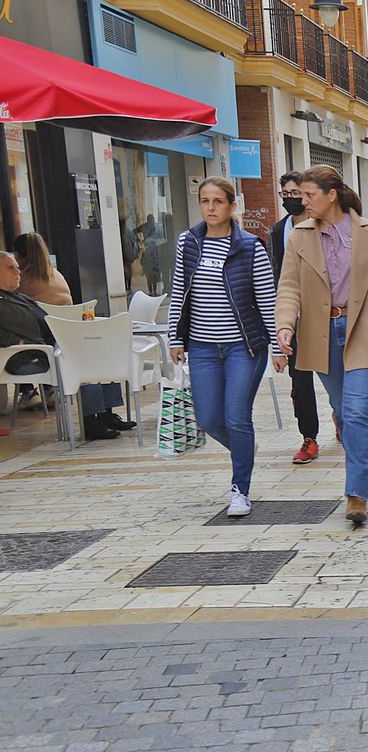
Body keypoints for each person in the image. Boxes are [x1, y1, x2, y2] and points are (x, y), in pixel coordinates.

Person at [275, 164, 368, 526]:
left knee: (356, 412)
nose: (303, 202)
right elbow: (288, 286)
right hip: (322, 333)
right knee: (342, 408)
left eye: (309, 196)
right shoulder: (299, 237)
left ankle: (356, 494)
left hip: (365, 328)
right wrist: (285, 325)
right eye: (300, 196)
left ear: (331, 195)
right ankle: (355, 473)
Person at [166, 178, 283, 517]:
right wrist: (175, 337)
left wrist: (276, 346)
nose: (211, 207)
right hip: (201, 347)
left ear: (233, 206)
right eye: (205, 201)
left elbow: (267, 299)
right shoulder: (188, 243)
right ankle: (244, 446)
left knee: (236, 416)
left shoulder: (250, 247)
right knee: (208, 417)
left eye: (218, 201)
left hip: (243, 348)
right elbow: (179, 292)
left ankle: (240, 490)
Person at [0, 250, 133, 439]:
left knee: (97, 350)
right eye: (10, 267)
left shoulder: (17, 296)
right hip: (29, 355)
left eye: (18, 267)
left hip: (48, 346)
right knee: (80, 358)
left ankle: (105, 414)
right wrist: (19, 342)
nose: (17, 272)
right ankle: (90, 421)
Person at [267, 171, 327, 465]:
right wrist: (279, 327)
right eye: (286, 194)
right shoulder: (277, 232)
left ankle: (341, 415)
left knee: (334, 377)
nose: (291, 199)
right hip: (295, 317)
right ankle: (309, 437)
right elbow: (275, 279)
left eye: (296, 193)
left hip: (326, 315)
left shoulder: (323, 226)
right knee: (300, 382)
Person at [13, 233, 72, 307]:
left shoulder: (21, 279)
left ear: (18, 256)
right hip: (68, 316)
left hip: (42, 317)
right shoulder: (57, 274)